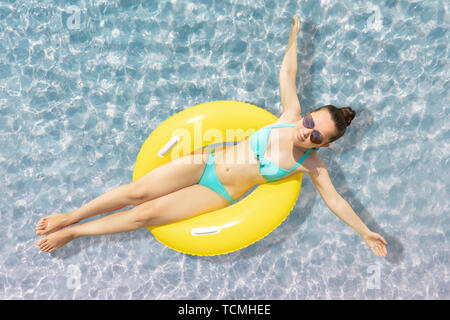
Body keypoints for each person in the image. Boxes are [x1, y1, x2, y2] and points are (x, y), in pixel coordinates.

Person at [36, 16, 387, 257]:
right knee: (136, 192)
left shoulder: (311, 165)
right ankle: (72, 215)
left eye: (315, 136)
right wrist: (296, 36)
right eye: (310, 121)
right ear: (308, 114)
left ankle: (74, 233)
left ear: (323, 145)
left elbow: (337, 201)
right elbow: (289, 72)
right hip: (204, 163)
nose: (305, 130)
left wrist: (364, 231)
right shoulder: (289, 116)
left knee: (144, 214)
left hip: (216, 192)